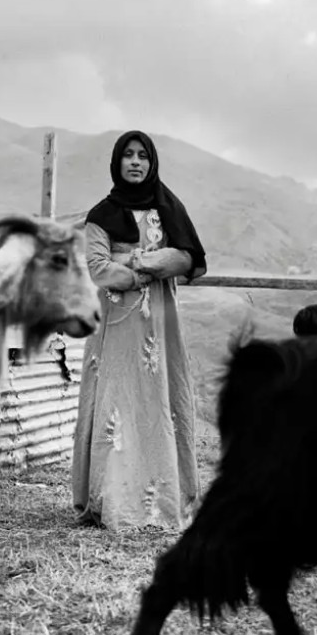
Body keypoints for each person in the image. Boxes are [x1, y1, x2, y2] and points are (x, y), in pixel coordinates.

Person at [71, 130, 207, 531]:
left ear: (152, 162)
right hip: (115, 324)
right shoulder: (100, 215)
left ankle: (160, 499)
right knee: (117, 399)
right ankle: (113, 499)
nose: (135, 162)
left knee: (156, 402)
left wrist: (143, 261)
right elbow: (98, 268)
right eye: (128, 155)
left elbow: (188, 258)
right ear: (116, 163)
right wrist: (140, 268)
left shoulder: (167, 208)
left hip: (158, 325)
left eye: (142, 156)